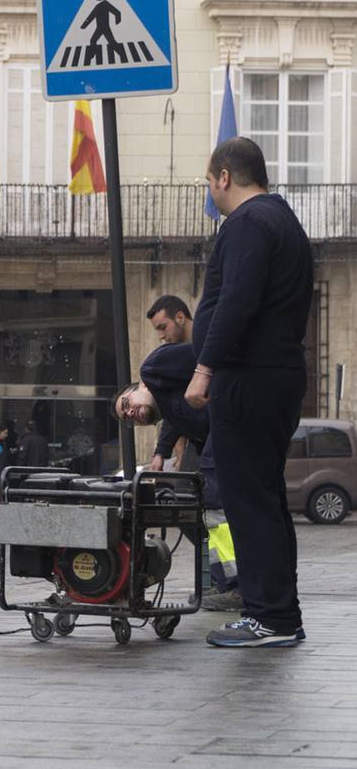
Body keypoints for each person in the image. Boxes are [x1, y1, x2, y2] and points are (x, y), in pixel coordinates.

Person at [185, 136, 313, 648]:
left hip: (249, 378)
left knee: (247, 500)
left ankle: (268, 618)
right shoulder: (282, 220)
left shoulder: (247, 224)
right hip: (275, 374)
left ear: (222, 177)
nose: (210, 193)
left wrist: (204, 369)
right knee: (265, 497)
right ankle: (280, 613)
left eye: (209, 183)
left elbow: (236, 301)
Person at [111, 343, 241, 611]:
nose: (131, 413)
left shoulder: (153, 367)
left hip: (232, 418)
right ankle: (231, 584)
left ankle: (239, 584)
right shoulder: (170, 412)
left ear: (141, 386)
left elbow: (207, 353)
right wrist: (163, 451)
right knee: (211, 514)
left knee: (215, 511)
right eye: (127, 418)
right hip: (228, 435)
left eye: (127, 403)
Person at [146, 294, 196, 472]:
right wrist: (161, 452)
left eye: (163, 327)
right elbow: (172, 408)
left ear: (180, 318)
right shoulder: (176, 356)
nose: (161, 336)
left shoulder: (207, 341)